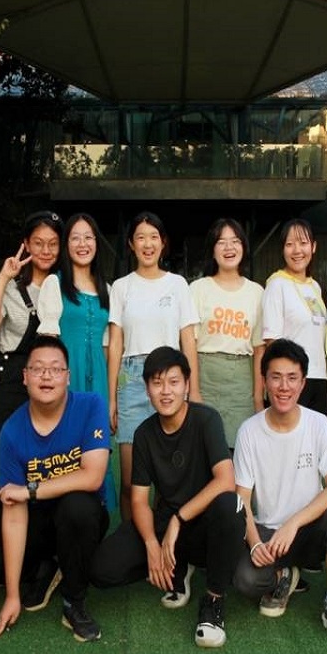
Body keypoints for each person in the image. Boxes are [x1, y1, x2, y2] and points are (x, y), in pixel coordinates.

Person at [90, 347, 246, 648]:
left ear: (187, 384)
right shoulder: (144, 434)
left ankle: (213, 600)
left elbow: (226, 480)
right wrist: (152, 544)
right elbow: (138, 500)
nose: (165, 391)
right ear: (147, 388)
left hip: (202, 526)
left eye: (174, 382)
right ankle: (176, 568)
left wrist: (178, 519)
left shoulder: (206, 419)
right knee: (103, 570)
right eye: (157, 383)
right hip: (164, 528)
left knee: (230, 506)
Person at [0, 336, 111, 642]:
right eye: (38, 368)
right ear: (25, 376)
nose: (46, 376)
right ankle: (45, 567)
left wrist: (29, 489)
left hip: (81, 515)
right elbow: (14, 515)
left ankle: (73, 601)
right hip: (35, 521)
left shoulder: (90, 405)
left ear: (68, 377)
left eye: (55, 369)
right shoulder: (12, 431)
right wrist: (12, 595)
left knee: (78, 508)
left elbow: (93, 477)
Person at [233, 338, 327, 644]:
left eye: (292, 378)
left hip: (308, 531)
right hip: (269, 533)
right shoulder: (249, 431)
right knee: (245, 580)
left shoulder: (318, 424)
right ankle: (283, 576)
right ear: (264, 381)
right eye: (276, 377)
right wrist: (255, 543)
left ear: (303, 383)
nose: (284, 387)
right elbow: (242, 499)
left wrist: (293, 523)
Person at [107, 211, 199, 521]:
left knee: (169, 477)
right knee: (131, 479)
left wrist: (193, 391)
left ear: (163, 243)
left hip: (170, 380)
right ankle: (131, 538)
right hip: (132, 379)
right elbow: (116, 344)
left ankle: (164, 539)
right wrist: (112, 399)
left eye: (153, 237)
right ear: (131, 245)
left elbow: (188, 341)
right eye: (140, 238)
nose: (147, 244)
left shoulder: (178, 284)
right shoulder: (121, 287)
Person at [0, 211, 63, 501]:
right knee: (9, 459)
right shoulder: (13, 288)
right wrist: (4, 277)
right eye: (38, 243)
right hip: (11, 381)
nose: (46, 250)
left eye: (53, 243)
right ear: (26, 244)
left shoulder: (66, 287)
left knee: (48, 460)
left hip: (49, 380)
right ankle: (4, 520)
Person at [37, 212, 115, 510]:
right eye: (75, 238)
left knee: (96, 448)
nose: (83, 244)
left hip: (99, 382)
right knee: (65, 449)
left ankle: (97, 519)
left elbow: (107, 345)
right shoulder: (54, 284)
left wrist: (111, 399)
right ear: (66, 245)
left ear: (97, 242)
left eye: (88, 237)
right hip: (66, 379)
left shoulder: (107, 288)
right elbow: (48, 344)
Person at [189, 218, 265, 449]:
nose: (229, 248)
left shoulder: (257, 292)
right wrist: (194, 391)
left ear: (244, 247)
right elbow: (189, 344)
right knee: (204, 450)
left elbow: (259, 349)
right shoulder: (198, 289)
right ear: (212, 250)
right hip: (205, 379)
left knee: (239, 450)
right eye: (221, 242)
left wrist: (257, 398)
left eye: (235, 241)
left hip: (241, 383)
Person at [261, 219, 327, 418]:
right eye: (290, 244)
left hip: (318, 379)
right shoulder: (276, 285)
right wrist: (285, 382)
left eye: (303, 243)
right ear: (282, 250)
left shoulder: (314, 287)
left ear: (313, 247)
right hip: (292, 382)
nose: (297, 250)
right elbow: (272, 343)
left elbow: (320, 344)